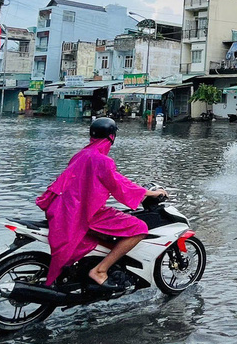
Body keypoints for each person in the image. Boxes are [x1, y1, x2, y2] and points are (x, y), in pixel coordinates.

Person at [36, 117, 167, 290]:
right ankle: (100, 270)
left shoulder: (81, 154)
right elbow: (119, 185)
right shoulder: (103, 161)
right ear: (111, 137)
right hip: (84, 212)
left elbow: (115, 179)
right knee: (139, 229)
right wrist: (150, 193)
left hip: (63, 209)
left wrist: (141, 191)